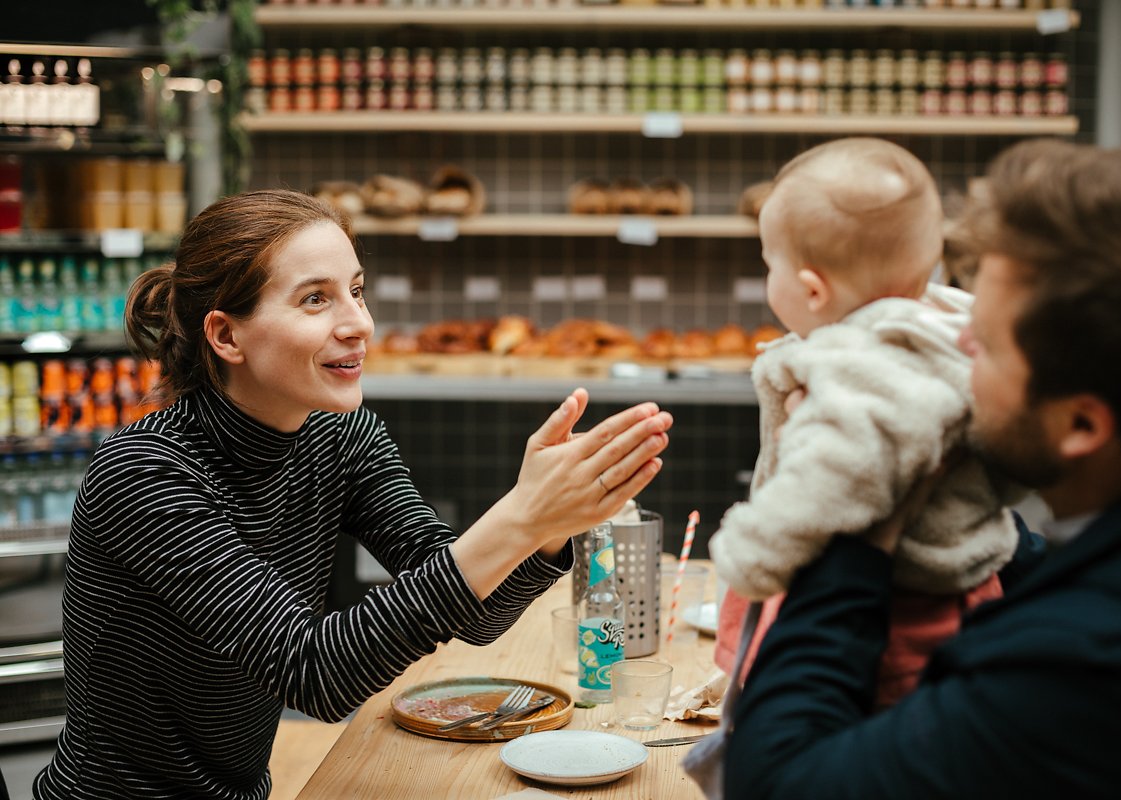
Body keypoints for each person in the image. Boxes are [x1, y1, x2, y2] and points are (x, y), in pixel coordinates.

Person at [32, 189, 673, 799]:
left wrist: (545, 528)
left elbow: (476, 616)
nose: (359, 324)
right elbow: (318, 673)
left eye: (356, 291)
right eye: (316, 300)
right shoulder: (144, 475)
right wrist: (518, 517)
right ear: (226, 336)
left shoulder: (340, 433)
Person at [724, 139, 1121, 798]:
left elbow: (779, 784)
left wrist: (856, 535)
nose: (960, 342)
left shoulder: (1091, 665)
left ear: (1081, 425)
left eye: (992, 344)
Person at [709, 138, 1023, 707]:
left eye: (767, 264)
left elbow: (832, 481)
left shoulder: (866, 369)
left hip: (899, 618)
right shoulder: (945, 329)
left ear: (811, 289)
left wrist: (750, 554)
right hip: (953, 591)